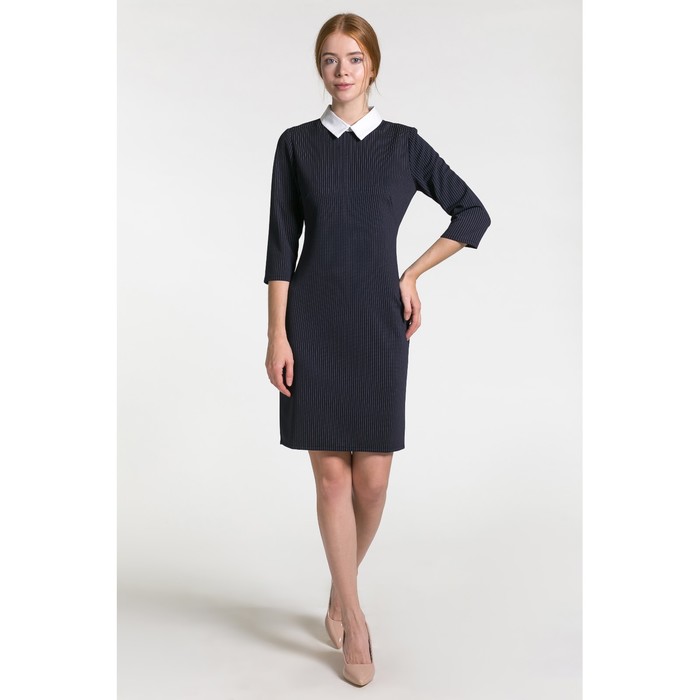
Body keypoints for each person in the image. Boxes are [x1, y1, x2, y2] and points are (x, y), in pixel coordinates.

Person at [263, 13, 491, 686]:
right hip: (312, 322)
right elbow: (280, 247)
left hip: (376, 324)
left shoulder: (402, 146)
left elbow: (472, 212)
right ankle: (356, 618)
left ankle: (340, 590)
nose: (342, 71)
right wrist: (276, 334)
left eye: (354, 59)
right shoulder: (297, 145)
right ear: (320, 68)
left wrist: (412, 274)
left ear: (373, 66)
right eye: (330, 60)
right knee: (331, 478)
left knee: (372, 481)